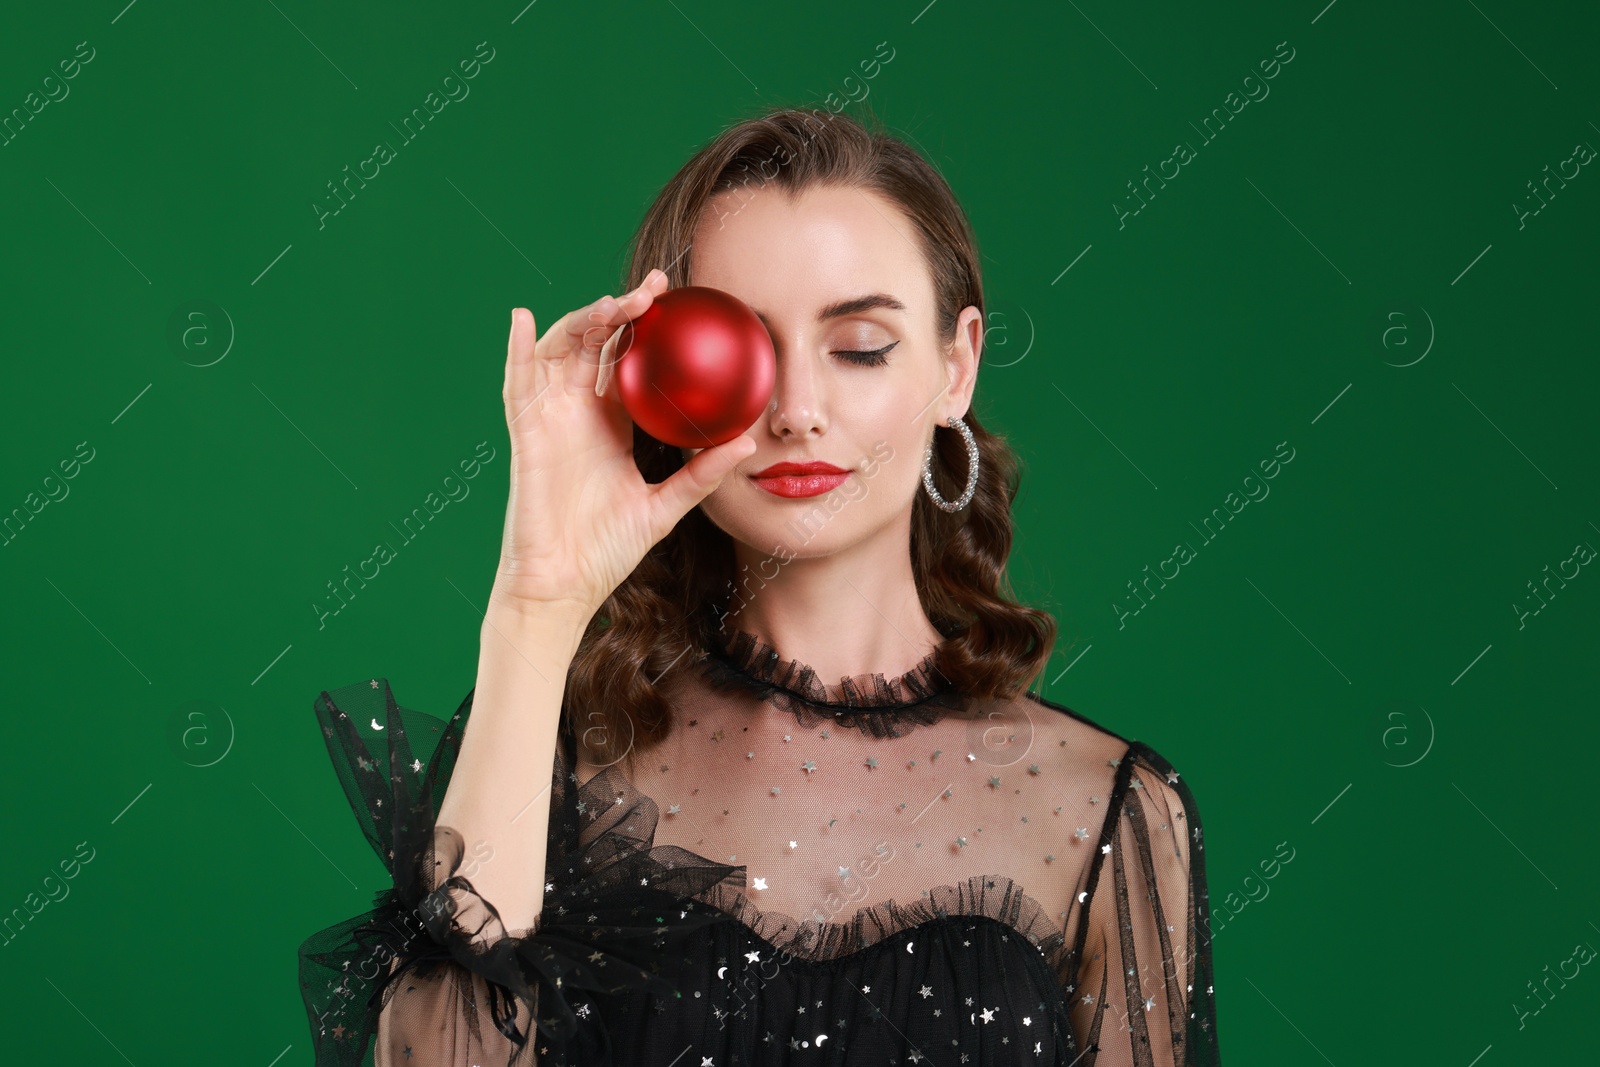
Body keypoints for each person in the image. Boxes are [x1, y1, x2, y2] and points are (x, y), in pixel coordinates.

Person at [298, 105, 1221, 1066]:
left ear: (957, 365)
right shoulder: (558, 765)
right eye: (739, 351)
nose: (797, 412)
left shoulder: (1103, 811)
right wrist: (537, 601)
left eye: (860, 345)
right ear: (660, 373)